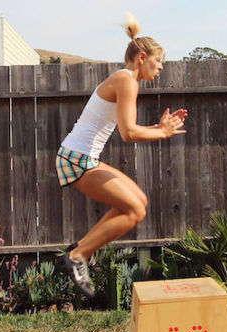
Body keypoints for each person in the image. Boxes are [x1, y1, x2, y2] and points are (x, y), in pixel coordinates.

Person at [57, 13, 188, 297]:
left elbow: (129, 127)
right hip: (76, 159)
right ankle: (78, 256)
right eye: (158, 61)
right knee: (135, 210)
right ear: (142, 57)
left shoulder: (126, 80)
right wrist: (162, 132)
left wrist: (158, 128)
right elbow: (128, 133)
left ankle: (82, 250)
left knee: (139, 202)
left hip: (82, 157)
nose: (161, 67)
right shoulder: (127, 80)